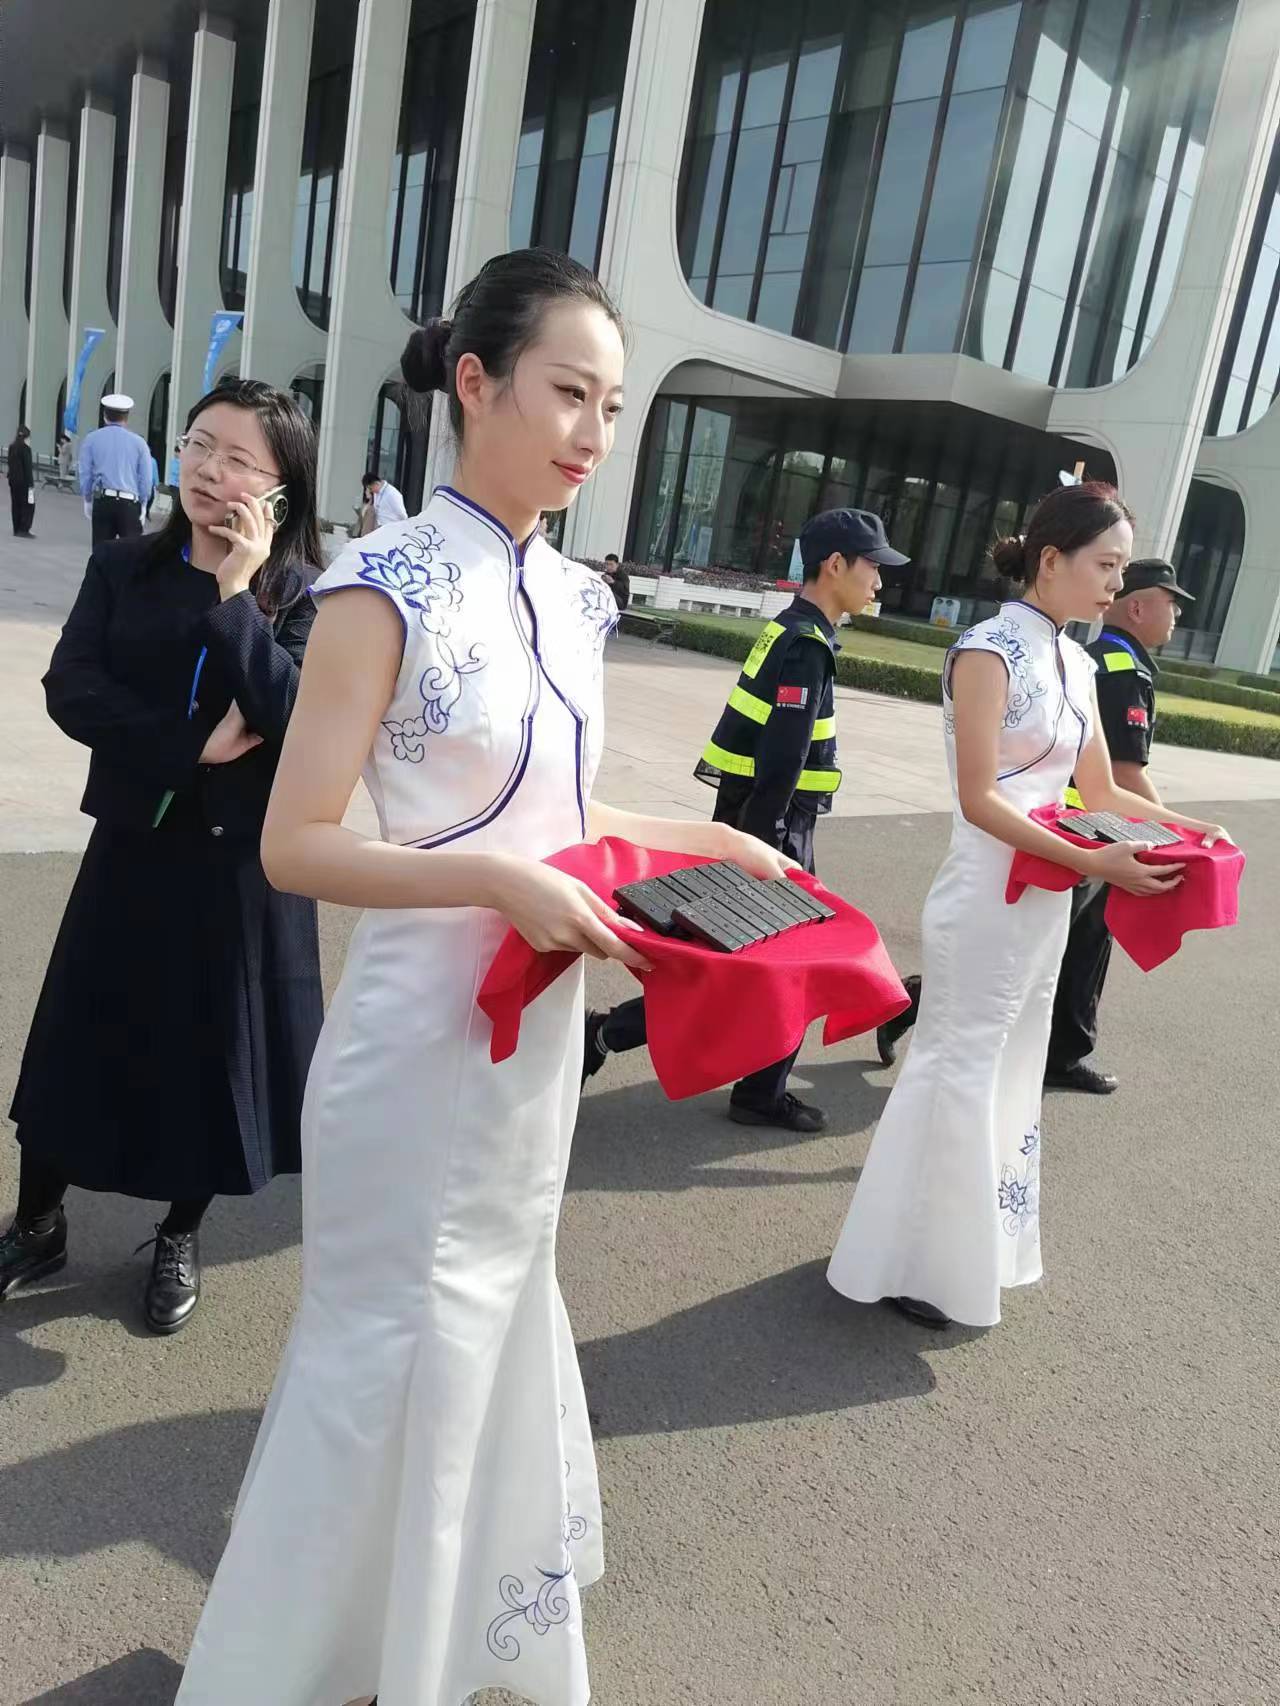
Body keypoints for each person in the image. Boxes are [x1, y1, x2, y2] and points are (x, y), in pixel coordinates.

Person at [171, 248, 793, 1706]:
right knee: (390, 1336)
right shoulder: (379, 585)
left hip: (531, 1039)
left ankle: (432, 1646)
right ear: (475, 383)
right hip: (414, 1032)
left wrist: (701, 836)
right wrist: (501, 883)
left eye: (615, 404)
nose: (593, 429)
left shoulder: (578, 598)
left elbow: (565, 823)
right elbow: (297, 845)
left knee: (495, 1309)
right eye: (569, 391)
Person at [826, 483, 1229, 1331]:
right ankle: (910, 1257)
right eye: (1107, 565)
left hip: (1046, 898)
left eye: (1121, 568)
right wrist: (1097, 857)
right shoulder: (986, 650)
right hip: (984, 896)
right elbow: (979, 798)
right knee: (955, 1068)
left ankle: (971, 1246)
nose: (1117, 585)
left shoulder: (1079, 663)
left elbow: (1101, 787)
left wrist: (1188, 826)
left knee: (1011, 1064)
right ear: (1052, 561)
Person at [0, 379, 324, 1335]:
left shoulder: (307, 595)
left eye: (237, 459)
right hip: (135, 844)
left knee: (210, 1059)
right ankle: (40, 1218)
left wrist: (235, 596)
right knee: (78, 1038)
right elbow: (72, 686)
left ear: (280, 488)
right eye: (197, 445)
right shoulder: (123, 568)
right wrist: (185, 745)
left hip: (239, 872)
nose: (208, 471)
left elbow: (295, 717)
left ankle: (181, 1232)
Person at [583, 507, 909, 1134]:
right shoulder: (807, 649)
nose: (879, 581)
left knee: (742, 971)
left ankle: (733, 1078)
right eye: (873, 566)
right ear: (835, 566)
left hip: (757, 825)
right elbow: (782, 763)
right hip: (775, 832)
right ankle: (736, 1083)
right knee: (775, 967)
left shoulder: (786, 629)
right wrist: (760, 854)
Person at [1044, 557, 1196, 1094]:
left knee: (1064, 946)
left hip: (1072, 825)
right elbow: (1127, 775)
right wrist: (1179, 838)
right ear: (1138, 606)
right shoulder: (1122, 671)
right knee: (1064, 947)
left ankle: (1062, 1052)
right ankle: (914, 1001)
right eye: (1170, 602)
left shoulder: (1094, 659)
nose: (1176, 615)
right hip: (1094, 831)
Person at [78, 392, 154, 544]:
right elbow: (146, 479)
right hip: (129, 504)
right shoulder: (139, 443)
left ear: (105, 415)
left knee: (101, 556)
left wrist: (87, 499)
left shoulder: (91, 439)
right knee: (131, 557)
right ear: (126, 418)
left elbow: (85, 473)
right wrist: (144, 503)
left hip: (103, 501)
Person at [7, 423, 34, 536]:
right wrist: (31, 484)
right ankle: (24, 529)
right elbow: (27, 468)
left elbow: (10, 463)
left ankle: (16, 528)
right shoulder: (26, 449)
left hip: (13, 480)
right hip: (24, 482)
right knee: (28, 505)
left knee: (15, 504)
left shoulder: (12, 447)